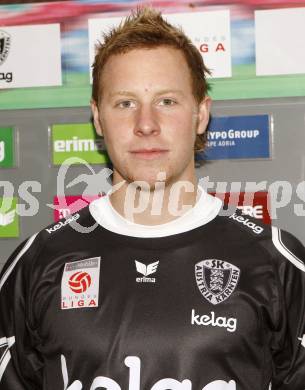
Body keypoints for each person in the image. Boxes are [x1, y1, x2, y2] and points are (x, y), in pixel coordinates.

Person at [0, 7, 304, 390]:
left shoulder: (276, 261)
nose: (146, 124)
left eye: (167, 101)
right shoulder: (37, 263)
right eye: (125, 103)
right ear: (97, 118)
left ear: (201, 114)